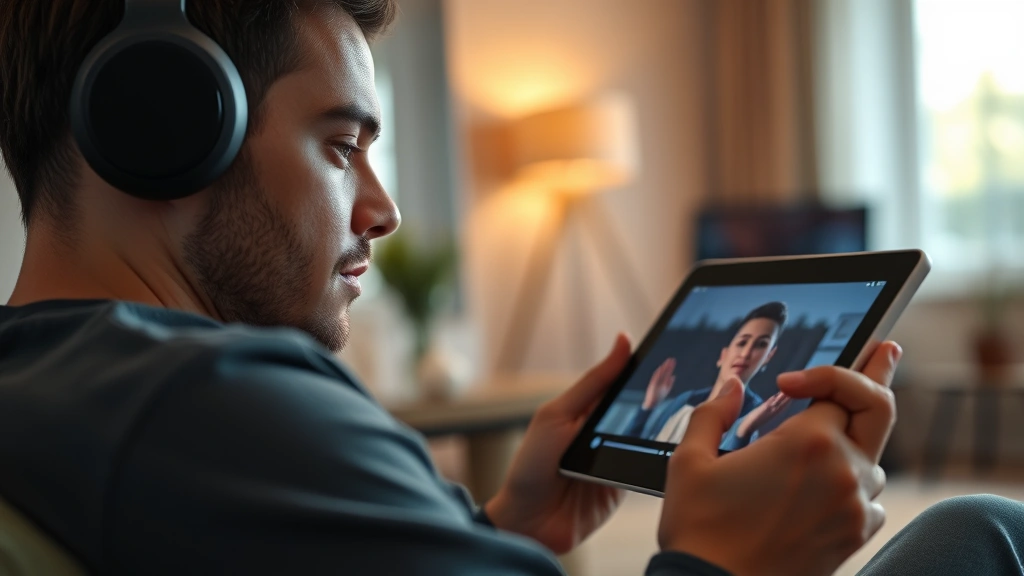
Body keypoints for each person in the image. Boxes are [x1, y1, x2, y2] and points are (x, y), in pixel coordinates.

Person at [1, 2, 1022, 575]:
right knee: (985, 527)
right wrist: (725, 561)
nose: (382, 208)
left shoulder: (57, 383)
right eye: (342, 145)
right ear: (166, 130)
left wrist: (503, 535)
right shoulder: (210, 399)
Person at [623, 302, 786, 444]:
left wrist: (744, 431)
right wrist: (649, 405)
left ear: (769, 356)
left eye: (761, 345)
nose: (745, 354)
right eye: (742, 342)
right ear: (723, 355)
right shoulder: (685, 400)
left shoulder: (757, 416)